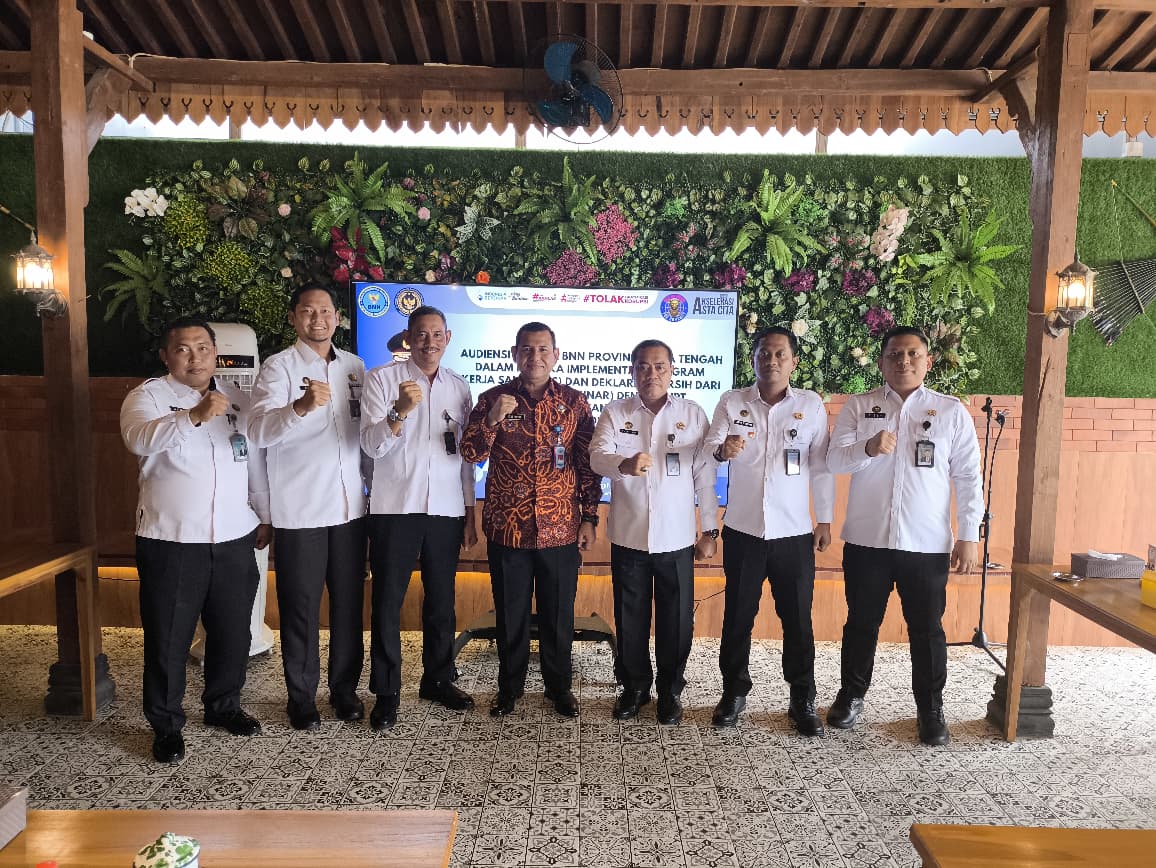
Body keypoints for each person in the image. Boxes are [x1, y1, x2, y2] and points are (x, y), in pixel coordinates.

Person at [120, 316, 271, 763]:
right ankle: (166, 725)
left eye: (203, 348)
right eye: (183, 349)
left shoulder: (237, 398)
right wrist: (191, 417)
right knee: (168, 638)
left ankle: (224, 706)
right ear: (166, 356)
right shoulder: (147, 397)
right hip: (172, 539)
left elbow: (253, 462)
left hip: (234, 535)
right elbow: (138, 440)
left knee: (233, 631)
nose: (195, 358)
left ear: (215, 353)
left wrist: (265, 516)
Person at [826, 325, 981, 746]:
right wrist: (867, 447)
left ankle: (930, 708)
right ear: (881, 362)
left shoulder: (950, 412)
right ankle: (851, 694)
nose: (904, 361)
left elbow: (968, 477)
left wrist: (969, 534)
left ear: (928, 362)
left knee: (927, 629)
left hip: (926, 543)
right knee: (861, 623)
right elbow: (834, 462)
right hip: (867, 540)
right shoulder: (861, 406)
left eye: (913, 354)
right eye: (895, 354)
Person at [460, 321, 602, 719]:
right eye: (526, 349)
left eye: (542, 349)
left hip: (561, 528)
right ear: (514, 354)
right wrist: (491, 421)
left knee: (559, 615)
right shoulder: (493, 399)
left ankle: (559, 688)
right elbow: (470, 454)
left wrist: (590, 517)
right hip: (508, 529)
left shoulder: (574, 403)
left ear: (555, 355)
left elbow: (587, 465)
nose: (534, 357)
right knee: (511, 615)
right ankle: (509, 689)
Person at [248, 284, 370, 731]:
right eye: (307, 311)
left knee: (348, 606)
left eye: (325, 311)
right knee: (300, 609)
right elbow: (258, 432)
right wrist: (299, 407)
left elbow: (363, 439)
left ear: (337, 317)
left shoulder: (354, 366)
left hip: (351, 510)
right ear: (293, 317)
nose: (318, 319)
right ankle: (301, 698)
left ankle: (344, 691)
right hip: (300, 511)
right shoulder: (278, 367)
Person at [704, 326, 834, 735]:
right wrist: (721, 450)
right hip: (743, 531)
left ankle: (802, 698)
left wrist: (824, 519)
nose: (771, 360)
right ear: (753, 359)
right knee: (737, 617)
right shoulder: (733, 402)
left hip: (793, 533)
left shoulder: (810, 405)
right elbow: (708, 448)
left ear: (794, 362)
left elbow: (821, 465)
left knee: (797, 620)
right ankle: (733, 692)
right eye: (764, 353)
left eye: (780, 354)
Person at [589, 339, 719, 726]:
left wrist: (710, 530)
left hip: (676, 539)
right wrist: (623, 464)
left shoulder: (692, 415)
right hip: (629, 536)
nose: (652, 373)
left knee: (676, 621)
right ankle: (634, 688)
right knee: (630, 617)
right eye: (643, 366)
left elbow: (704, 476)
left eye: (660, 366)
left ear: (672, 370)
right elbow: (596, 456)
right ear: (632, 371)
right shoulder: (616, 412)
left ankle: (670, 690)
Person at [360, 306, 478, 730]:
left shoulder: (459, 387)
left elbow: (464, 458)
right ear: (408, 338)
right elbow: (371, 447)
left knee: (441, 601)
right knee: (387, 602)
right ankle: (386, 691)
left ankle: (438, 679)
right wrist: (399, 411)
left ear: (448, 338)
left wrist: (469, 511)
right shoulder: (381, 379)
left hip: (445, 510)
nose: (429, 342)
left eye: (437, 334)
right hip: (395, 509)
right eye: (421, 334)